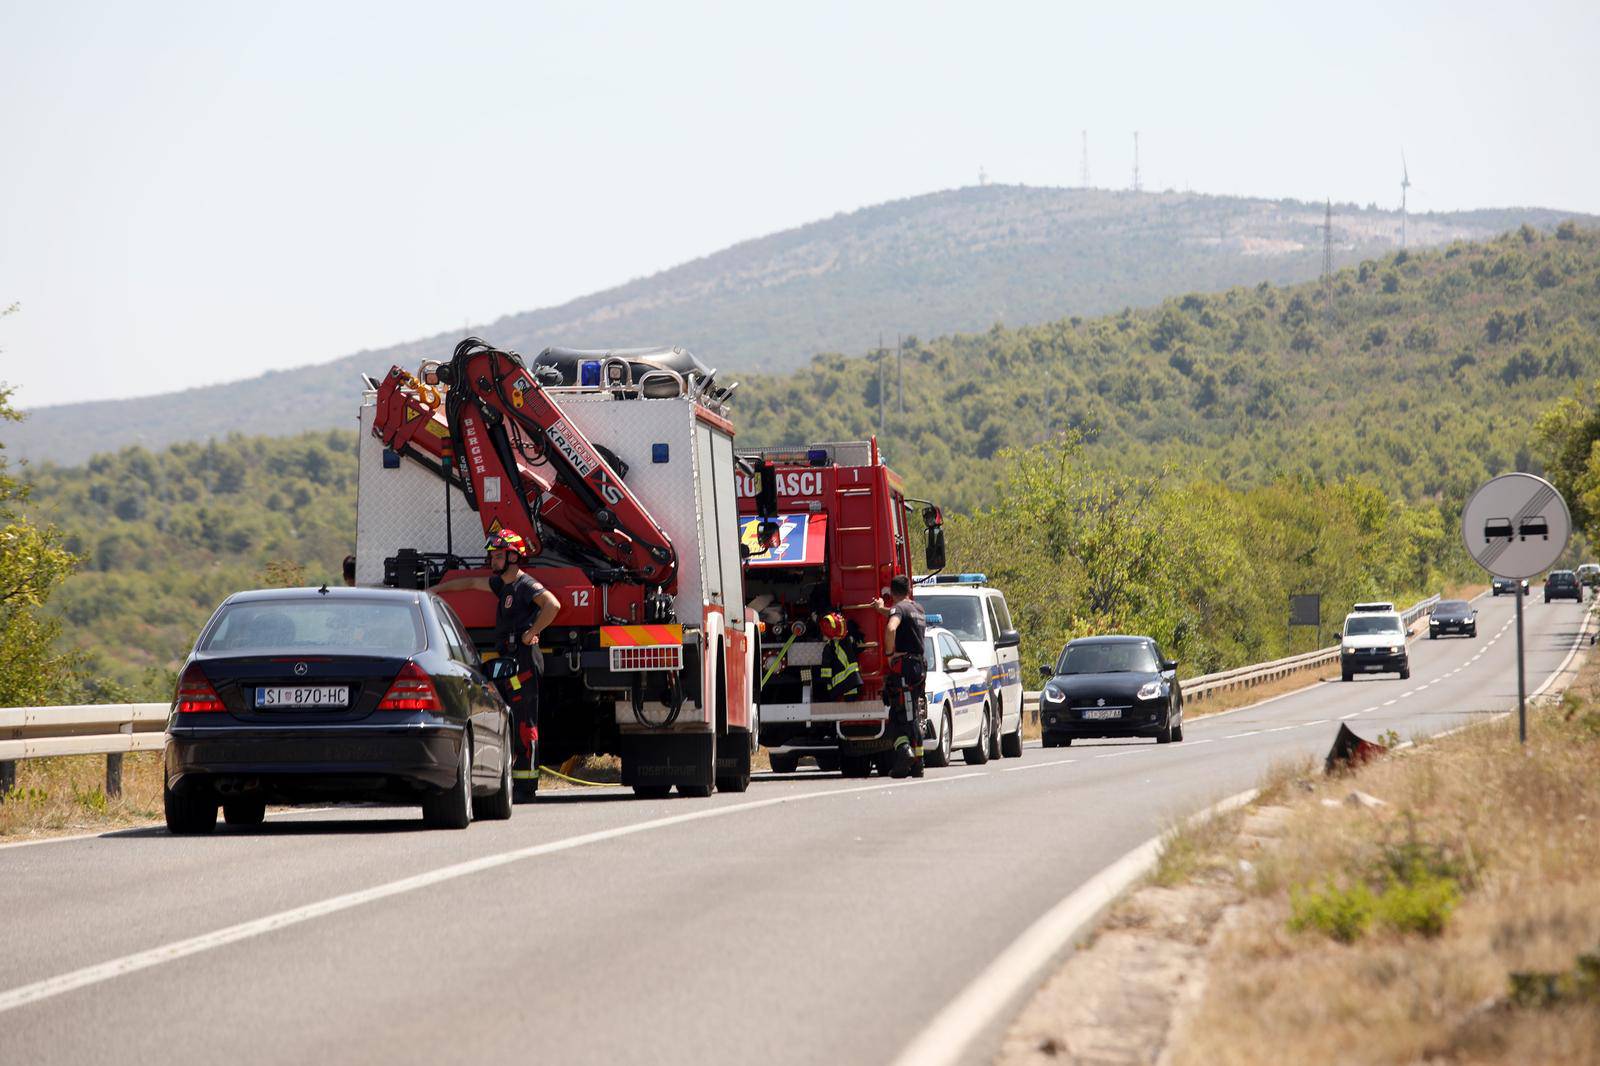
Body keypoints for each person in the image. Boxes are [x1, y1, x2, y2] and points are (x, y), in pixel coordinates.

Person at [431, 530, 560, 800]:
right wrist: (437, 590)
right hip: (509, 660)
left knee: (526, 722)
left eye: (498, 555)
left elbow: (552, 605)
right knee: (509, 719)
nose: (493, 560)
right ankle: (512, 779)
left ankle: (527, 785)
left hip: (524, 659)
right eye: (493, 555)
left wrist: (532, 631)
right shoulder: (502, 585)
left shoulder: (525, 585)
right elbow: (470, 584)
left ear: (513, 557)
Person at [872, 574, 927, 778]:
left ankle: (905, 754)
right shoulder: (918, 608)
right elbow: (899, 615)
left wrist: (889, 654)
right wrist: (882, 610)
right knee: (914, 715)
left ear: (892, 592)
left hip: (904, 667)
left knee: (898, 715)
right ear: (909, 589)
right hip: (919, 668)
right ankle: (918, 763)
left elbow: (892, 626)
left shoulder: (898, 609)